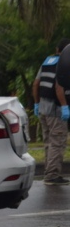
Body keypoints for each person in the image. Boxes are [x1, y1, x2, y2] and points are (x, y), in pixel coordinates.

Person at [32, 38, 70, 186]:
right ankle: (52, 175)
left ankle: (49, 172)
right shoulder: (64, 64)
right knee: (57, 142)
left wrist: (36, 103)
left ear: (57, 49)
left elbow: (36, 84)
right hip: (56, 109)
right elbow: (58, 87)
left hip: (42, 108)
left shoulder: (47, 61)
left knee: (48, 142)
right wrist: (65, 106)